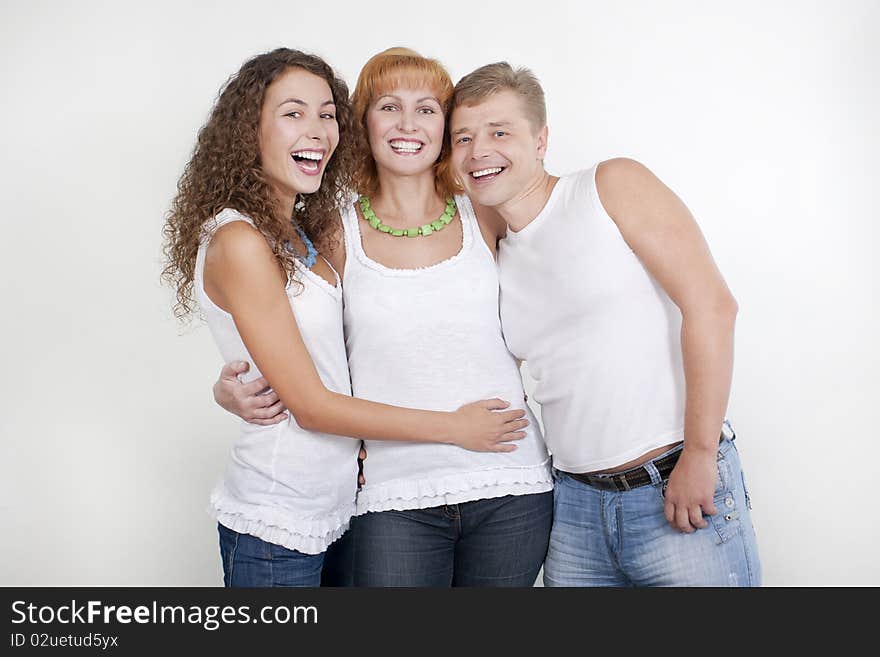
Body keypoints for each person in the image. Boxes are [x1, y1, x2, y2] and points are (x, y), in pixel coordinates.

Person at [162, 48, 530, 588]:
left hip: (337, 508)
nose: (315, 130)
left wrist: (229, 384)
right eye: (292, 114)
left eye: (325, 114)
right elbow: (310, 404)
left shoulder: (297, 235)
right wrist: (454, 427)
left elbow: (316, 353)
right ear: (249, 130)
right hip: (280, 516)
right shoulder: (245, 239)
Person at [447, 62, 761, 586]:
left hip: (672, 482)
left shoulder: (608, 186)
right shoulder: (492, 250)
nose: (480, 150)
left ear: (541, 138)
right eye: (463, 137)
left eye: (500, 131)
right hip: (573, 509)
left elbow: (711, 305)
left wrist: (701, 455)